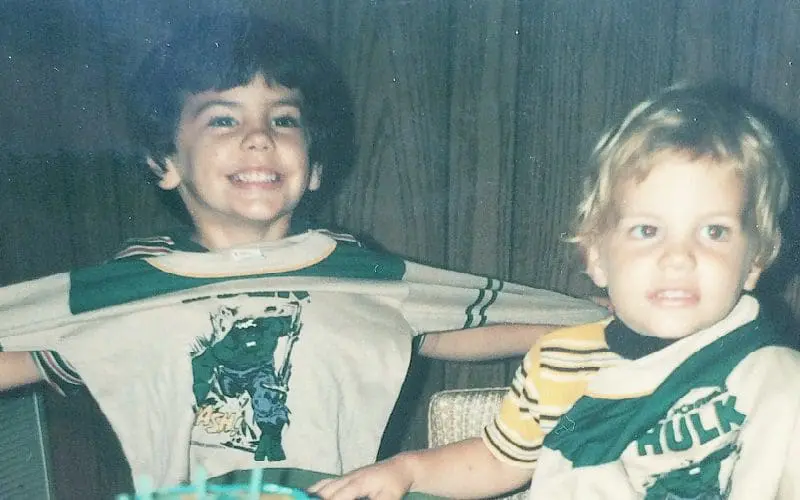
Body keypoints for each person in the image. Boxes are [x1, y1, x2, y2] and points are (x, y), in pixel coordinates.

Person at [0, 14, 606, 490]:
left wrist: (605, 330)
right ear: (165, 161)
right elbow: (30, 349)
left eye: (284, 119)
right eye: (222, 120)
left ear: (314, 168)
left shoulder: (359, 274)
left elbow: (455, 322)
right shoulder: (121, 292)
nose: (259, 138)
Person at [309, 84, 800, 500]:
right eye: (647, 231)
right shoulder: (560, 361)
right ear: (596, 256)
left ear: (756, 259)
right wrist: (406, 470)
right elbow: (497, 460)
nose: (679, 257)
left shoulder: (765, 373)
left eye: (714, 232)